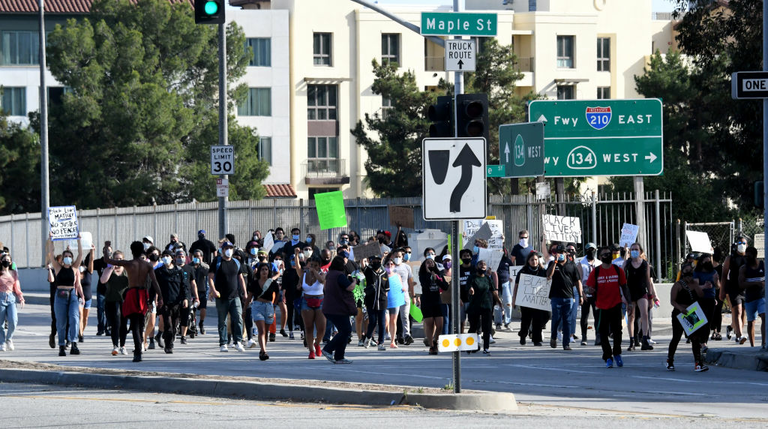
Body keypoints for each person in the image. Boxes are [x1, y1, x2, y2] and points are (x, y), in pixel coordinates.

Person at [104, 241, 163, 362]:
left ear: (131, 251)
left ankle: (137, 351)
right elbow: (155, 282)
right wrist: (160, 297)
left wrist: (106, 248)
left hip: (132, 294)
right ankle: (139, 347)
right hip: (143, 294)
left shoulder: (129, 263)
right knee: (140, 323)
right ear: (142, 251)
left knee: (135, 324)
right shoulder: (147, 265)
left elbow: (107, 260)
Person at [586, 246, 630, 368]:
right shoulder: (596, 272)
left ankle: (617, 353)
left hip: (616, 304)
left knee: (617, 331)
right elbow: (589, 288)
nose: (607, 256)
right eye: (604, 254)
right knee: (603, 332)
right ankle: (608, 356)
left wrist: (629, 302)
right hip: (601, 307)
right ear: (600, 257)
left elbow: (624, 287)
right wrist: (589, 290)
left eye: (608, 253)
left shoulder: (617, 270)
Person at [666, 262, 708, 372]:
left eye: (691, 273)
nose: (689, 276)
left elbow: (701, 295)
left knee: (695, 338)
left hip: (691, 314)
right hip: (680, 314)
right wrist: (681, 309)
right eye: (687, 273)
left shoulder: (694, 284)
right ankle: (670, 360)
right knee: (676, 337)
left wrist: (697, 286)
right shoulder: (678, 285)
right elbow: (673, 301)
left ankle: (698, 363)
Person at [48, 235, 85, 357]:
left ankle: (74, 343)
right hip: (60, 295)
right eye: (66, 256)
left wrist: (78, 240)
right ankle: (61, 346)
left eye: (70, 256)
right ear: (62, 259)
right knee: (61, 321)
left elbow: (80, 254)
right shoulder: (58, 268)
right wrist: (51, 240)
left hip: (72, 295)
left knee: (74, 319)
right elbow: (51, 253)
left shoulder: (74, 268)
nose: (68, 258)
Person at [208, 241, 247, 353]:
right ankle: (223, 343)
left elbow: (240, 278)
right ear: (223, 250)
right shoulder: (217, 261)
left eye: (231, 248)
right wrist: (213, 290)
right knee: (223, 321)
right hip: (222, 298)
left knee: (238, 318)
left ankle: (238, 341)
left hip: (235, 296)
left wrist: (244, 292)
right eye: (227, 248)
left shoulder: (236, 262)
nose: (229, 250)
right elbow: (210, 277)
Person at [321, 256, 357, 364]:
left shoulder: (329, 275)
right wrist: (354, 281)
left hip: (329, 307)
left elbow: (325, 288)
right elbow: (350, 287)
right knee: (346, 330)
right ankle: (328, 349)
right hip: (338, 308)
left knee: (344, 331)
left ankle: (339, 356)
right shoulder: (339, 275)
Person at [546, 244, 581, 350]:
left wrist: (581, 295)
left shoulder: (572, 265)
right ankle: (553, 337)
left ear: (566, 253)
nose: (560, 254)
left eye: (562, 252)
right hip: (556, 296)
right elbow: (548, 275)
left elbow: (577, 281)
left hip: (568, 297)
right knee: (556, 319)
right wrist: (555, 262)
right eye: (558, 252)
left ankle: (566, 344)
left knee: (567, 320)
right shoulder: (553, 263)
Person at [624, 243, 657, 351]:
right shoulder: (627, 263)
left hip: (642, 292)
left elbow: (648, 281)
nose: (634, 251)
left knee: (645, 314)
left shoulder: (645, 264)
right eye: (632, 249)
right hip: (630, 292)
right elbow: (622, 279)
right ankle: (632, 341)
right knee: (631, 316)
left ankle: (644, 340)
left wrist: (651, 296)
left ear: (640, 251)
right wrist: (623, 295)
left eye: (636, 249)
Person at [155, 250, 188, 354]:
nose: (166, 258)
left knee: (174, 325)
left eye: (168, 256)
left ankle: (171, 338)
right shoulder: (159, 272)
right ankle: (168, 346)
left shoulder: (179, 271)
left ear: (172, 258)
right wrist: (153, 299)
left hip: (176, 303)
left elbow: (184, 286)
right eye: (164, 256)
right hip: (164, 302)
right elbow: (154, 287)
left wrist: (186, 298)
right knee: (168, 324)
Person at [512, 250, 548, 346]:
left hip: (538, 301)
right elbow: (516, 286)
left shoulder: (542, 271)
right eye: (532, 260)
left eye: (536, 260)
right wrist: (514, 300)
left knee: (538, 320)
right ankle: (523, 335)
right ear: (528, 261)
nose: (534, 262)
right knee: (526, 320)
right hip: (526, 301)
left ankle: (536, 340)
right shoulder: (523, 271)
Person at [466, 260, 501, 355]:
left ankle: (486, 348)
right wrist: (471, 289)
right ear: (477, 266)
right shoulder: (472, 277)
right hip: (474, 305)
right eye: (480, 264)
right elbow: (468, 287)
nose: (482, 266)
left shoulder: (487, 278)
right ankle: (469, 346)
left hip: (486, 305)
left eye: (484, 264)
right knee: (473, 327)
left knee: (487, 327)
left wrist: (499, 302)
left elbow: (493, 291)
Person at [297, 248, 326, 359]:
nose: (312, 267)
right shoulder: (304, 274)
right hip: (307, 302)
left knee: (321, 328)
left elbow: (322, 281)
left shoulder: (322, 274)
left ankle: (317, 343)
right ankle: (311, 350)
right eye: (311, 265)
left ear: (319, 266)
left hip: (320, 301)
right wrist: (299, 286)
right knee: (308, 327)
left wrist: (315, 272)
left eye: (315, 265)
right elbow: (299, 285)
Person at [248, 262, 280, 360]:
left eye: (266, 269)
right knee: (261, 330)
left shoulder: (272, 283)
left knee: (266, 331)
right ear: (259, 271)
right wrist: (245, 309)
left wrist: (274, 305)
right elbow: (249, 296)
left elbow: (278, 294)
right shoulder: (254, 283)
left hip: (269, 306)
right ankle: (264, 351)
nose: (264, 271)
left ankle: (262, 350)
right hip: (257, 306)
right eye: (262, 269)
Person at [100, 250, 129, 356]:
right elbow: (103, 280)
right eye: (116, 259)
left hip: (124, 300)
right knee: (115, 323)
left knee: (123, 324)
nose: (118, 261)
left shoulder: (126, 270)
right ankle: (115, 345)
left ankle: (123, 345)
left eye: (120, 259)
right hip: (111, 300)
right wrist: (111, 267)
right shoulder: (109, 269)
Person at [720, 236, 748, 344]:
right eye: (740, 243)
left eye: (744, 243)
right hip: (733, 288)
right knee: (737, 311)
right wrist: (722, 290)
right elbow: (724, 274)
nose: (742, 245)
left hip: (745, 288)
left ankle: (732, 328)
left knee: (743, 313)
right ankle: (740, 335)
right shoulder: (730, 258)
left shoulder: (749, 258)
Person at [419, 257, 448, 355]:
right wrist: (428, 273)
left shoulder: (439, 274)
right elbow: (425, 285)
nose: (430, 264)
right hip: (427, 301)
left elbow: (445, 286)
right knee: (429, 323)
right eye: (428, 262)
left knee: (440, 325)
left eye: (431, 262)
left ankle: (436, 341)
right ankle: (431, 345)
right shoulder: (422, 274)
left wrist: (437, 278)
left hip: (437, 301)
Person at [739, 246, 765, 348]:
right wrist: (756, 283)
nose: (747, 258)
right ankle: (752, 345)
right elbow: (741, 284)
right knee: (751, 321)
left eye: (749, 256)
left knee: (764, 316)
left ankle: (763, 343)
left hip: (762, 296)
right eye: (746, 256)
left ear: (755, 256)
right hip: (750, 298)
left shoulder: (763, 265)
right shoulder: (744, 268)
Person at [693, 253, 719, 351]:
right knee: (701, 321)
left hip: (711, 298)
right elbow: (695, 287)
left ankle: (704, 342)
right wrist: (704, 286)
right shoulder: (697, 272)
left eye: (709, 261)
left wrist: (716, 281)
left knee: (708, 321)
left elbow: (717, 286)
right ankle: (699, 341)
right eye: (706, 261)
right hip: (700, 298)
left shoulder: (713, 272)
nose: (708, 263)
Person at [363, 255, 389, 351]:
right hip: (371, 301)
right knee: (373, 322)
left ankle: (381, 343)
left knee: (382, 323)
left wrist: (384, 299)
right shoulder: (369, 271)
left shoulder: (384, 273)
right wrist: (362, 256)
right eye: (374, 260)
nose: (376, 262)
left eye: (378, 260)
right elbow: (363, 266)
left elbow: (386, 289)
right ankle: (368, 337)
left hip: (382, 301)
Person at [0, 253, 24, 352]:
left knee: (13, 320)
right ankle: (1, 342)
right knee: (0, 324)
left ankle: (9, 338)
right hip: (0, 298)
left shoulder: (13, 273)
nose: (6, 261)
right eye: (4, 259)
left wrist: (21, 298)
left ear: (10, 262)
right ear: (1, 261)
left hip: (11, 298)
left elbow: (17, 287)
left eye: (8, 260)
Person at [391, 248, 415, 345]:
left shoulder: (406, 267)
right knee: (395, 317)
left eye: (399, 256)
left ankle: (407, 335)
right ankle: (396, 335)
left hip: (404, 296)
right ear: (393, 256)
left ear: (402, 257)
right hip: (394, 297)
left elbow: (410, 282)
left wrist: (413, 296)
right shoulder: (390, 267)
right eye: (396, 256)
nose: (397, 258)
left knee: (405, 316)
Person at [176, 249, 199, 344]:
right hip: (175, 296)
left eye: (182, 257)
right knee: (175, 316)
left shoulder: (189, 269)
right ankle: (173, 332)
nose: (180, 259)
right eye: (178, 257)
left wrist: (197, 297)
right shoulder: (173, 268)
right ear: (175, 258)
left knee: (186, 316)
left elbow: (193, 284)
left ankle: (183, 336)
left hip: (186, 296)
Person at [579, 243, 599, 345]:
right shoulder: (581, 263)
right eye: (589, 250)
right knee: (585, 315)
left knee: (597, 315)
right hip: (586, 290)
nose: (591, 252)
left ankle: (598, 336)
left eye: (593, 250)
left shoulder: (599, 263)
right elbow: (580, 279)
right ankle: (584, 336)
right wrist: (582, 293)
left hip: (596, 292)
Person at [385, 258, 406, 348]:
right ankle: (385, 335)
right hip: (385, 301)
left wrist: (403, 289)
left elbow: (401, 286)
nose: (390, 266)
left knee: (393, 320)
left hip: (395, 300)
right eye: (388, 264)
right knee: (386, 320)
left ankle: (393, 341)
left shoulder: (397, 275)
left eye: (391, 264)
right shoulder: (383, 275)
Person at [93, 241, 111, 337]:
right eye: (105, 251)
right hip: (101, 290)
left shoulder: (113, 262)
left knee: (109, 310)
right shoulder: (100, 262)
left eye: (109, 251)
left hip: (111, 290)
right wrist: (91, 252)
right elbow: (89, 265)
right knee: (100, 309)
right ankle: (100, 328)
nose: (107, 253)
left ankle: (108, 328)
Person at [190, 250, 209, 335]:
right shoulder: (190, 266)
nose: (196, 258)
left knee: (203, 309)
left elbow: (207, 273)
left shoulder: (205, 266)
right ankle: (193, 325)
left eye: (198, 256)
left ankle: (201, 323)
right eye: (195, 256)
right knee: (192, 310)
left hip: (202, 290)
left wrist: (200, 264)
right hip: (192, 292)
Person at [496, 246, 515, 330]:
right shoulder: (494, 260)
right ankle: (498, 323)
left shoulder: (508, 261)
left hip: (506, 283)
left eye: (502, 250)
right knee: (497, 304)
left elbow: (513, 270)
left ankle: (507, 322)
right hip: (496, 285)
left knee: (508, 303)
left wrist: (512, 277)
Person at [78, 250, 95, 343]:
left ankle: (81, 331)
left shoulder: (89, 272)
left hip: (88, 298)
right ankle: (80, 334)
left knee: (85, 318)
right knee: (80, 315)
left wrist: (92, 251)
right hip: (79, 297)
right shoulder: (76, 273)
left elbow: (91, 260)